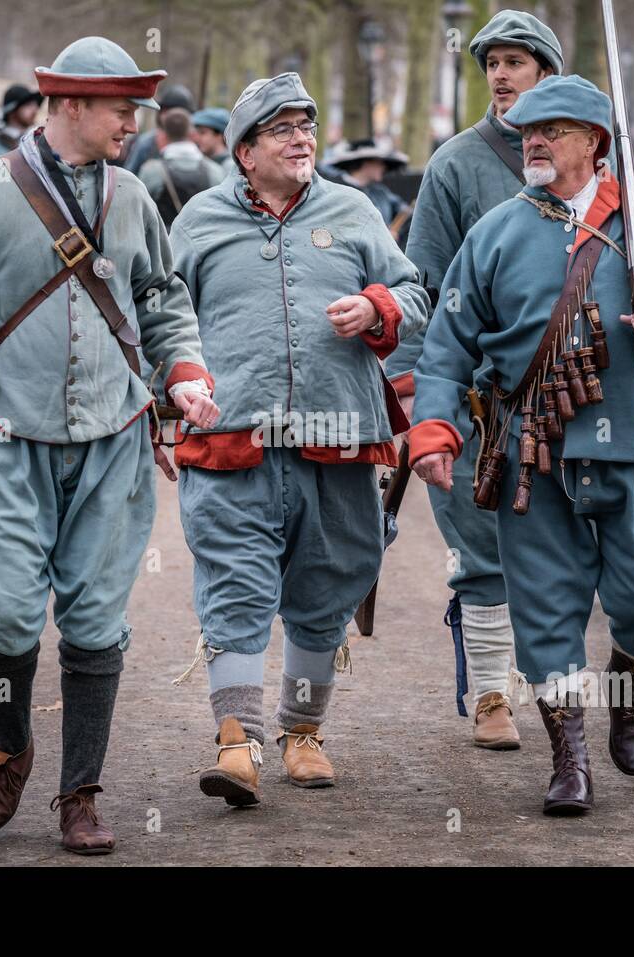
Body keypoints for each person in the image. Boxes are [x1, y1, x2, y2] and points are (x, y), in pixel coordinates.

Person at [0, 36, 218, 855]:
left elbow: (162, 297)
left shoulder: (134, 195)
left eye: (135, 109)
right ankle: (9, 753)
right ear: (68, 104)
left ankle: (80, 792)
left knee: (97, 621)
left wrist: (183, 371)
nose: (132, 123)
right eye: (119, 108)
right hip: (1, 435)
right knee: (3, 614)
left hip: (111, 438)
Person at [409, 75, 634, 814]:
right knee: (546, 609)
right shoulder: (495, 232)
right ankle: (569, 756)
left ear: (594, 143)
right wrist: (433, 424)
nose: (534, 141)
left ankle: (627, 674)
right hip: (535, 453)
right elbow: (447, 342)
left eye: (551, 129)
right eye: (526, 131)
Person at [168, 73, 428, 807]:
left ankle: (303, 730)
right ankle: (237, 739)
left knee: (330, 578)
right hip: (230, 435)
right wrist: (166, 399)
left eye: (306, 127)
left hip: (336, 435)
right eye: (281, 129)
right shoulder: (197, 220)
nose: (300, 139)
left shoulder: (353, 210)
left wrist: (377, 306)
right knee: (236, 579)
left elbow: (415, 292)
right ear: (244, 152)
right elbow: (155, 314)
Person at [388, 9, 561, 749]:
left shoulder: (591, 161)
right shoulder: (456, 164)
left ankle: (561, 693)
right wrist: (410, 389)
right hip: (477, 397)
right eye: (491, 61)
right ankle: (493, 694)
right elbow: (421, 281)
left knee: (562, 550)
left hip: (570, 397)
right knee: (481, 549)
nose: (498, 73)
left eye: (516, 61)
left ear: (548, 74)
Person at [137, 109, 226, 228]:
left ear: (163, 135)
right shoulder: (215, 171)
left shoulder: (151, 170)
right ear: (192, 134)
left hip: (162, 245)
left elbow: (139, 216)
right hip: (202, 244)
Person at [329, 138, 411, 228]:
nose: (383, 167)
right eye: (379, 162)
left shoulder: (380, 192)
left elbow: (404, 211)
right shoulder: (335, 189)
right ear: (366, 163)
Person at [122, 83, 195, 173]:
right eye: (167, 112)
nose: (175, 118)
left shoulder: (197, 142)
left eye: (179, 113)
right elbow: (130, 174)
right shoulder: (147, 143)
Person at [0, 84, 43, 157]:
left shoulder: (33, 141)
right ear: (12, 111)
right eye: (28, 105)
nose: (35, 110)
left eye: (35, 105)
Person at [191, 106, 234, 175]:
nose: (197, 138)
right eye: (197, 133)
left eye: (202, 133)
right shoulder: (199, 162)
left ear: (219, 135)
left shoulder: (231, 167)